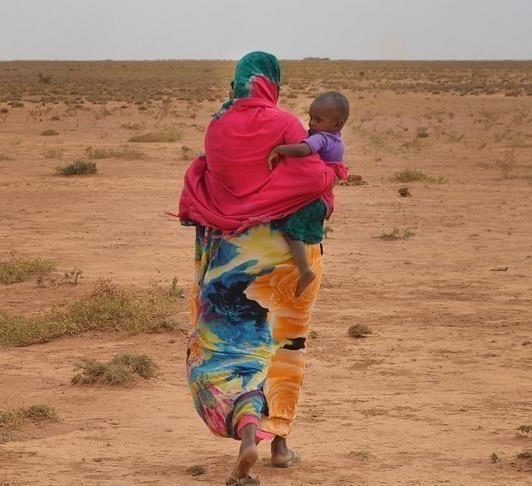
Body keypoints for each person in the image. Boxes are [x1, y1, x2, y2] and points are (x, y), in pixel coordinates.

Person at [177, 51, 339, 486]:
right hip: (288, 258)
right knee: (286, 345)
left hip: (231, 257)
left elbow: (208, 180)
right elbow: (309, 180)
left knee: (233, 349)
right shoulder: (286, 123)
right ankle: (280, 445)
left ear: (238, 82)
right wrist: (331, 175)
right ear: (273, 83)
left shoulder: (217, 124)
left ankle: (248, 429)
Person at [267, 92, 349, 297]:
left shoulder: (322, 138)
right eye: (311, 117)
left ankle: (304, 270)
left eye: (318, 120)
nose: (311, 123)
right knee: (308, 231)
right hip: (324, 200)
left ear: (337, 124)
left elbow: (304, 150)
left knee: (289, 227)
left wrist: (280, 148)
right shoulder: (336, 140)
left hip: (316, 199)